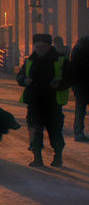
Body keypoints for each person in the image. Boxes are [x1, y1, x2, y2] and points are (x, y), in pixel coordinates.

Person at [18, 32, 69, 166]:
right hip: (35, 102)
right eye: (37, 46)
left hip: (53, 103)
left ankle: (58, 156)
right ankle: (37, 157)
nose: (40, 48)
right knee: (34, 130)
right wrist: (24, 80)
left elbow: (70, 77)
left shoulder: (60, 60)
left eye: (43, 46)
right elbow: (20, 76)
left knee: (55, 132)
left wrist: (60, 84)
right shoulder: (30, 60)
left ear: (48, 46)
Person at [70, 35, 89, 142]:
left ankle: (78, 132)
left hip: (79, 85)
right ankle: (78, 132)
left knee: (80, 110)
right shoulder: (80, 50)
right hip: (82, 84)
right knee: (80, 110)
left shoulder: (77, 49)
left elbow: (73, 68)